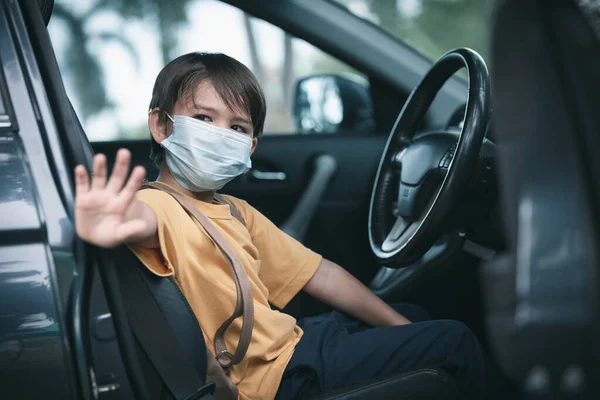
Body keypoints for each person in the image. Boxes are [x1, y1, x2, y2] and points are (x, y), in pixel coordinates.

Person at [74, 52, 488, 400]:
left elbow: (319, 273)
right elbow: (142, 222)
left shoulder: (234, 210)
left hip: (291, 342)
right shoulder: (157, 205)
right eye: (203, 117)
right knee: (452, 339)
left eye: (236, 127)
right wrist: (112, 220)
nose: (221, 135)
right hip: (273, 379)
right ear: (163, 127)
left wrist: (400, 328)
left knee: (411, 315)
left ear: (249, 147)